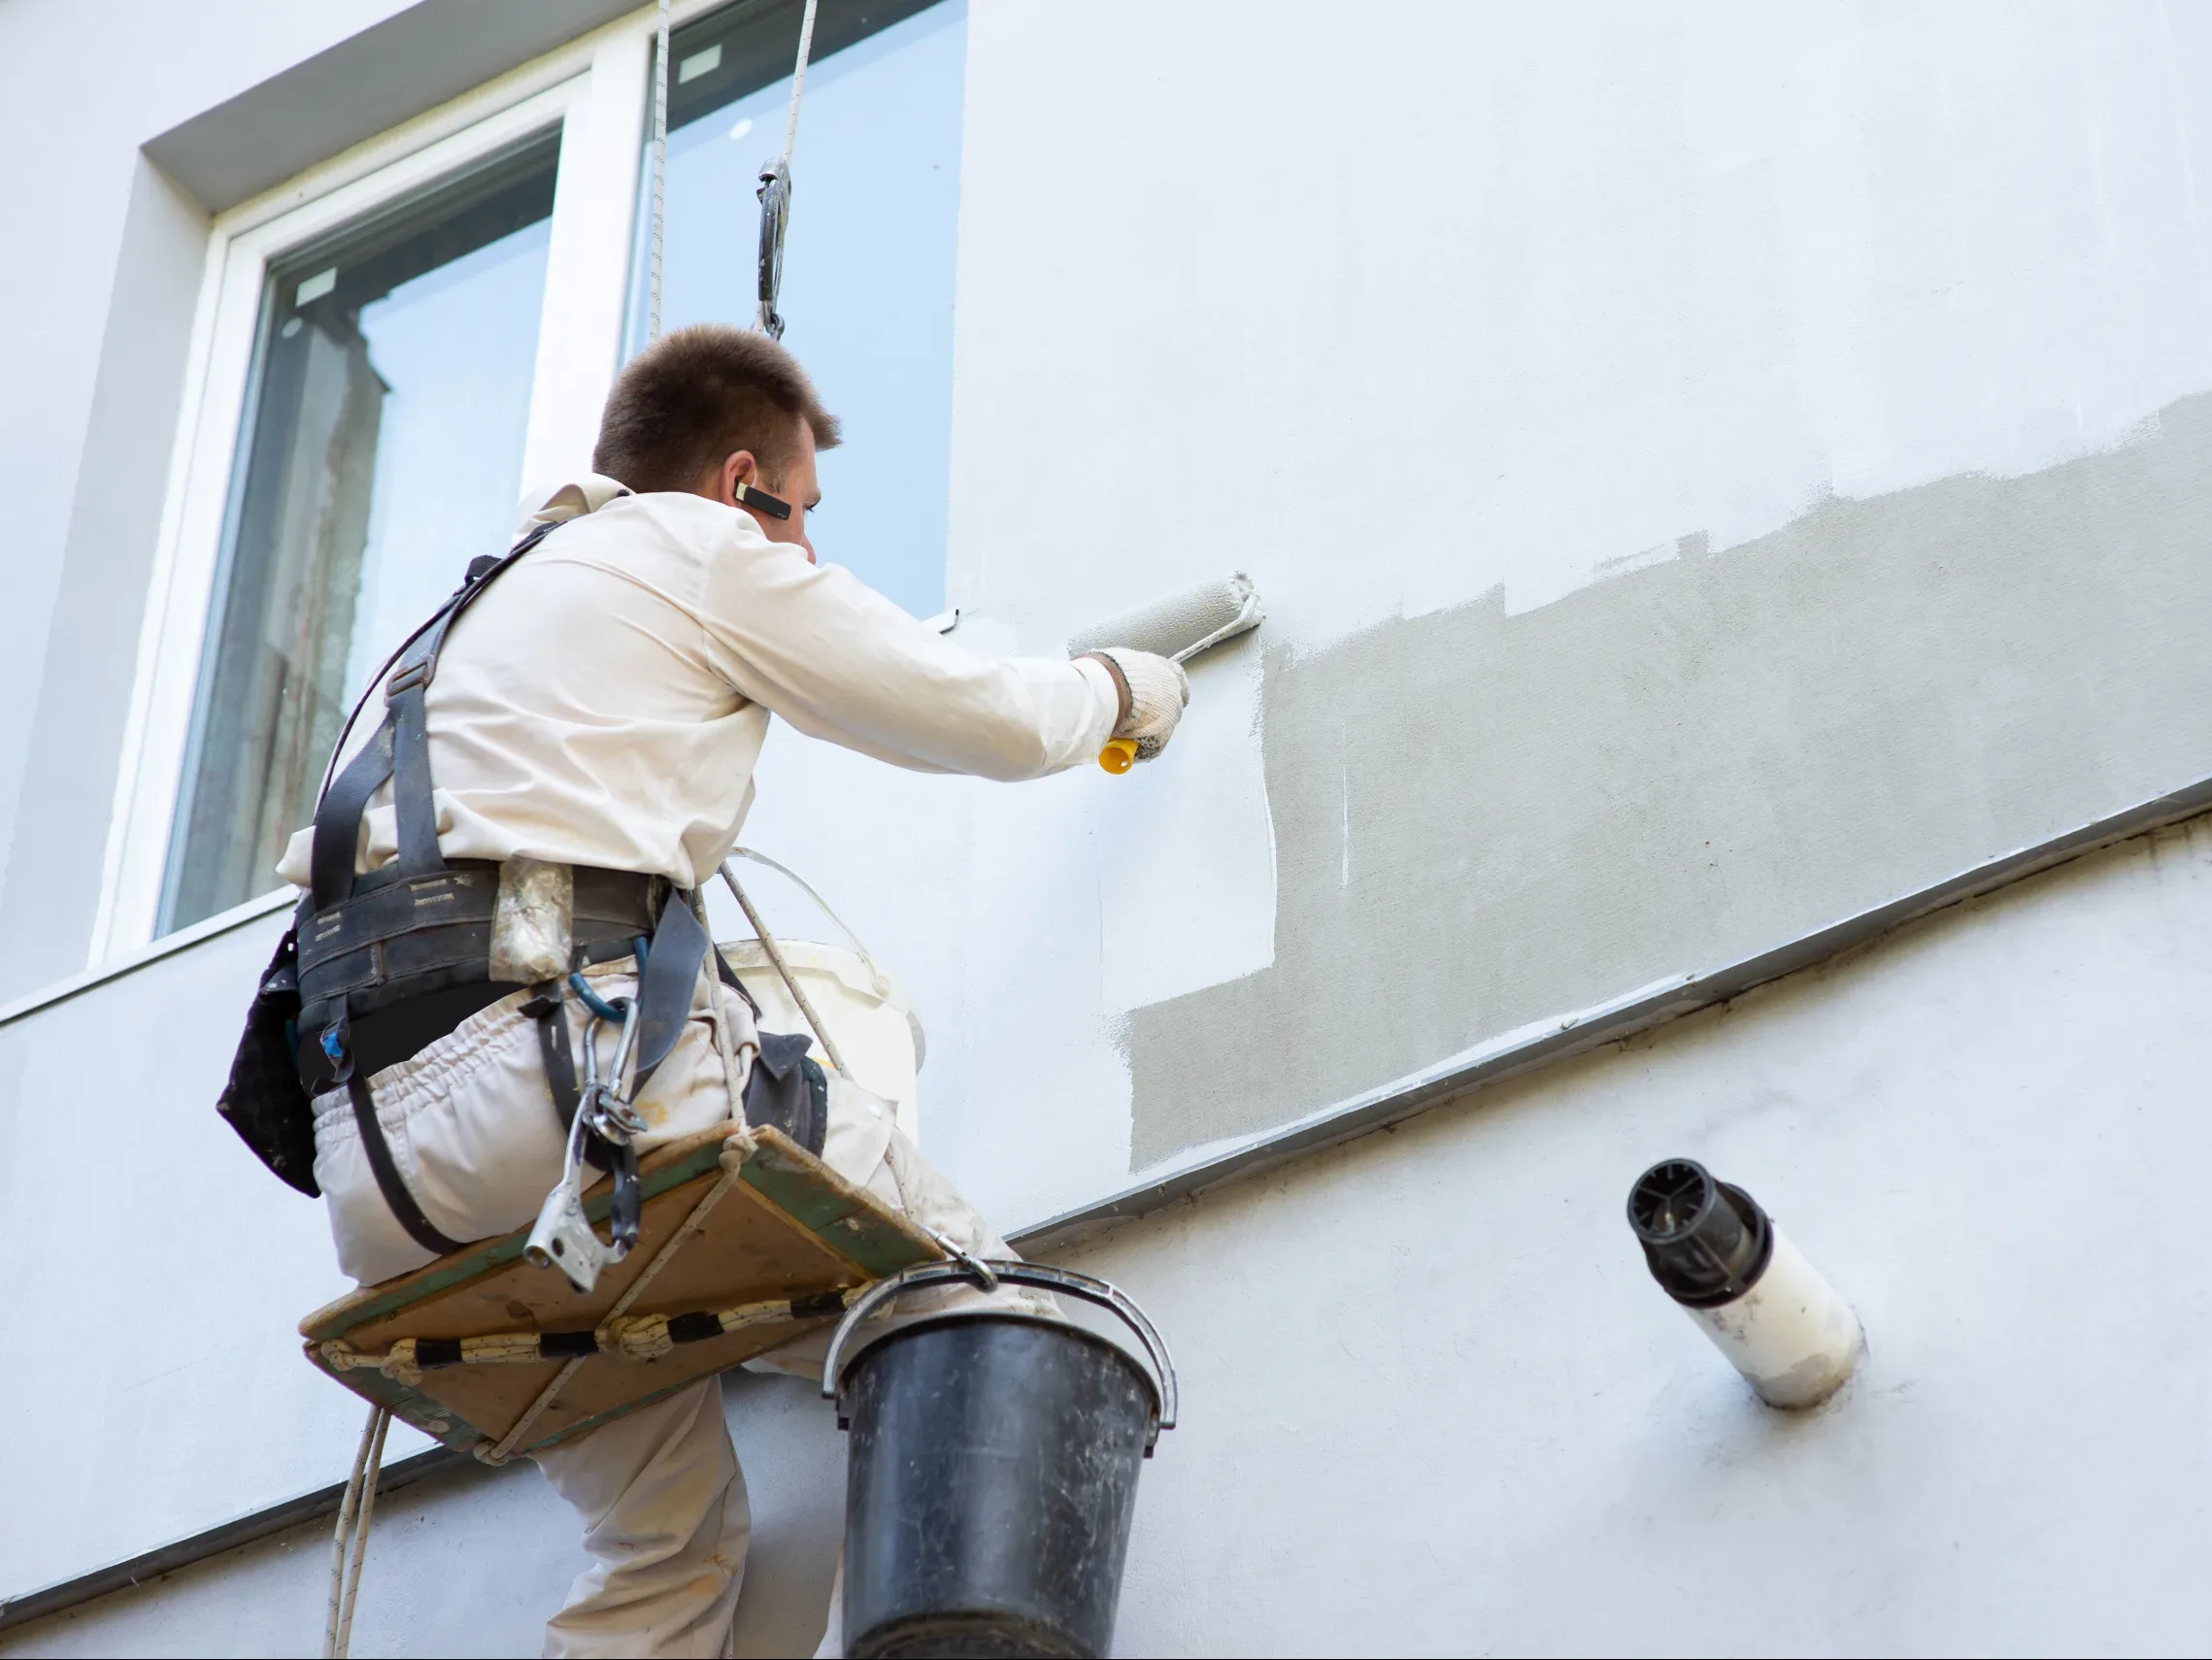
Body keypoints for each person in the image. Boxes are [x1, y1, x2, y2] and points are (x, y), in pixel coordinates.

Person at [273, 323, 1190, 1656]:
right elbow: (966, 706)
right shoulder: (693, 549)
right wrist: (1125, 690)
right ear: (739, 477)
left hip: (383, 1183)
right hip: (562, 1090)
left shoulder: (459, 632)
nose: (800, 553)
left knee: (667, 1543)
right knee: (970, 1305)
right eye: (799, 515)